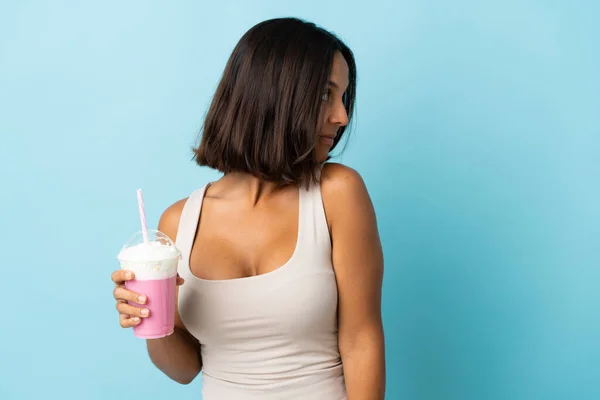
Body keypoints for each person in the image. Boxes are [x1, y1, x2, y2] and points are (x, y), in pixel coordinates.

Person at [111, 17, 385, 399]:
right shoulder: (178, 223)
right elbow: (184, 369)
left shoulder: (336, 193)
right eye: (326, 94)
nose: (341, 116)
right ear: (275, 94)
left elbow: (361, 340)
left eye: (343, 97)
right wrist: (151, 321)